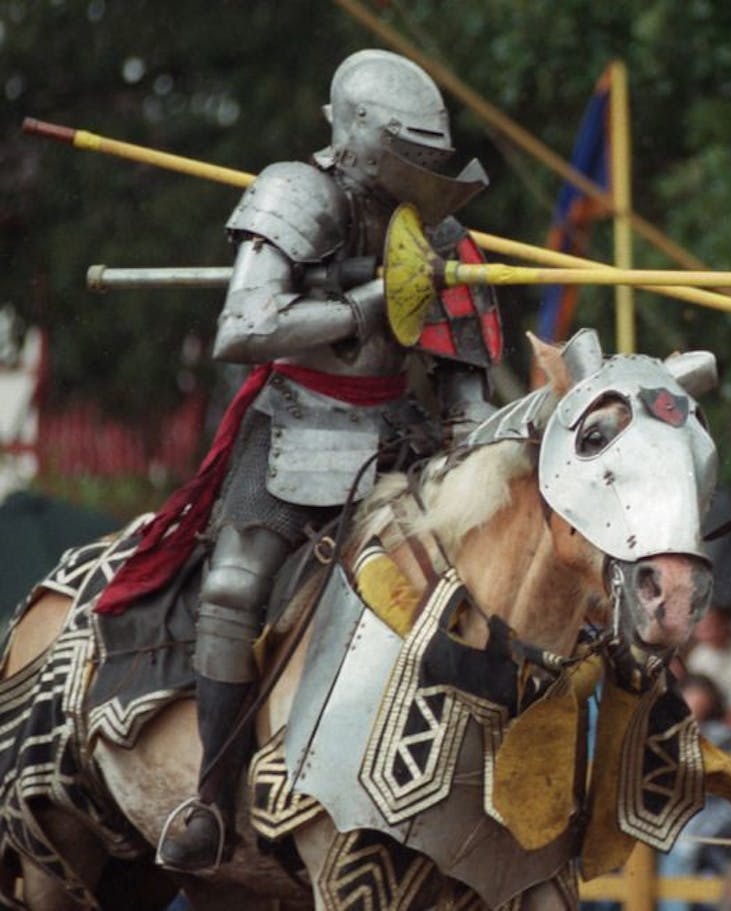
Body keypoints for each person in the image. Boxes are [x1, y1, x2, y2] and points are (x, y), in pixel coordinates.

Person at [92, 49, 500, 873]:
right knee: (237, 584)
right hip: (294, 424)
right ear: (360, 136)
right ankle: (210, 794)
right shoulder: (296, 192)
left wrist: (489, 450)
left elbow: (467, 395)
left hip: (401, 436)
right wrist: (367, 302)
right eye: (408, 150)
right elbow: (241, 329)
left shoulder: (445, 235)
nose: (422, 170)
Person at [683, 606, 731, 729]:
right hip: (714, 717)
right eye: (702, 629)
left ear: (726, 623)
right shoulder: (698, 657)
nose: (709, 633)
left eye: (713, 626)